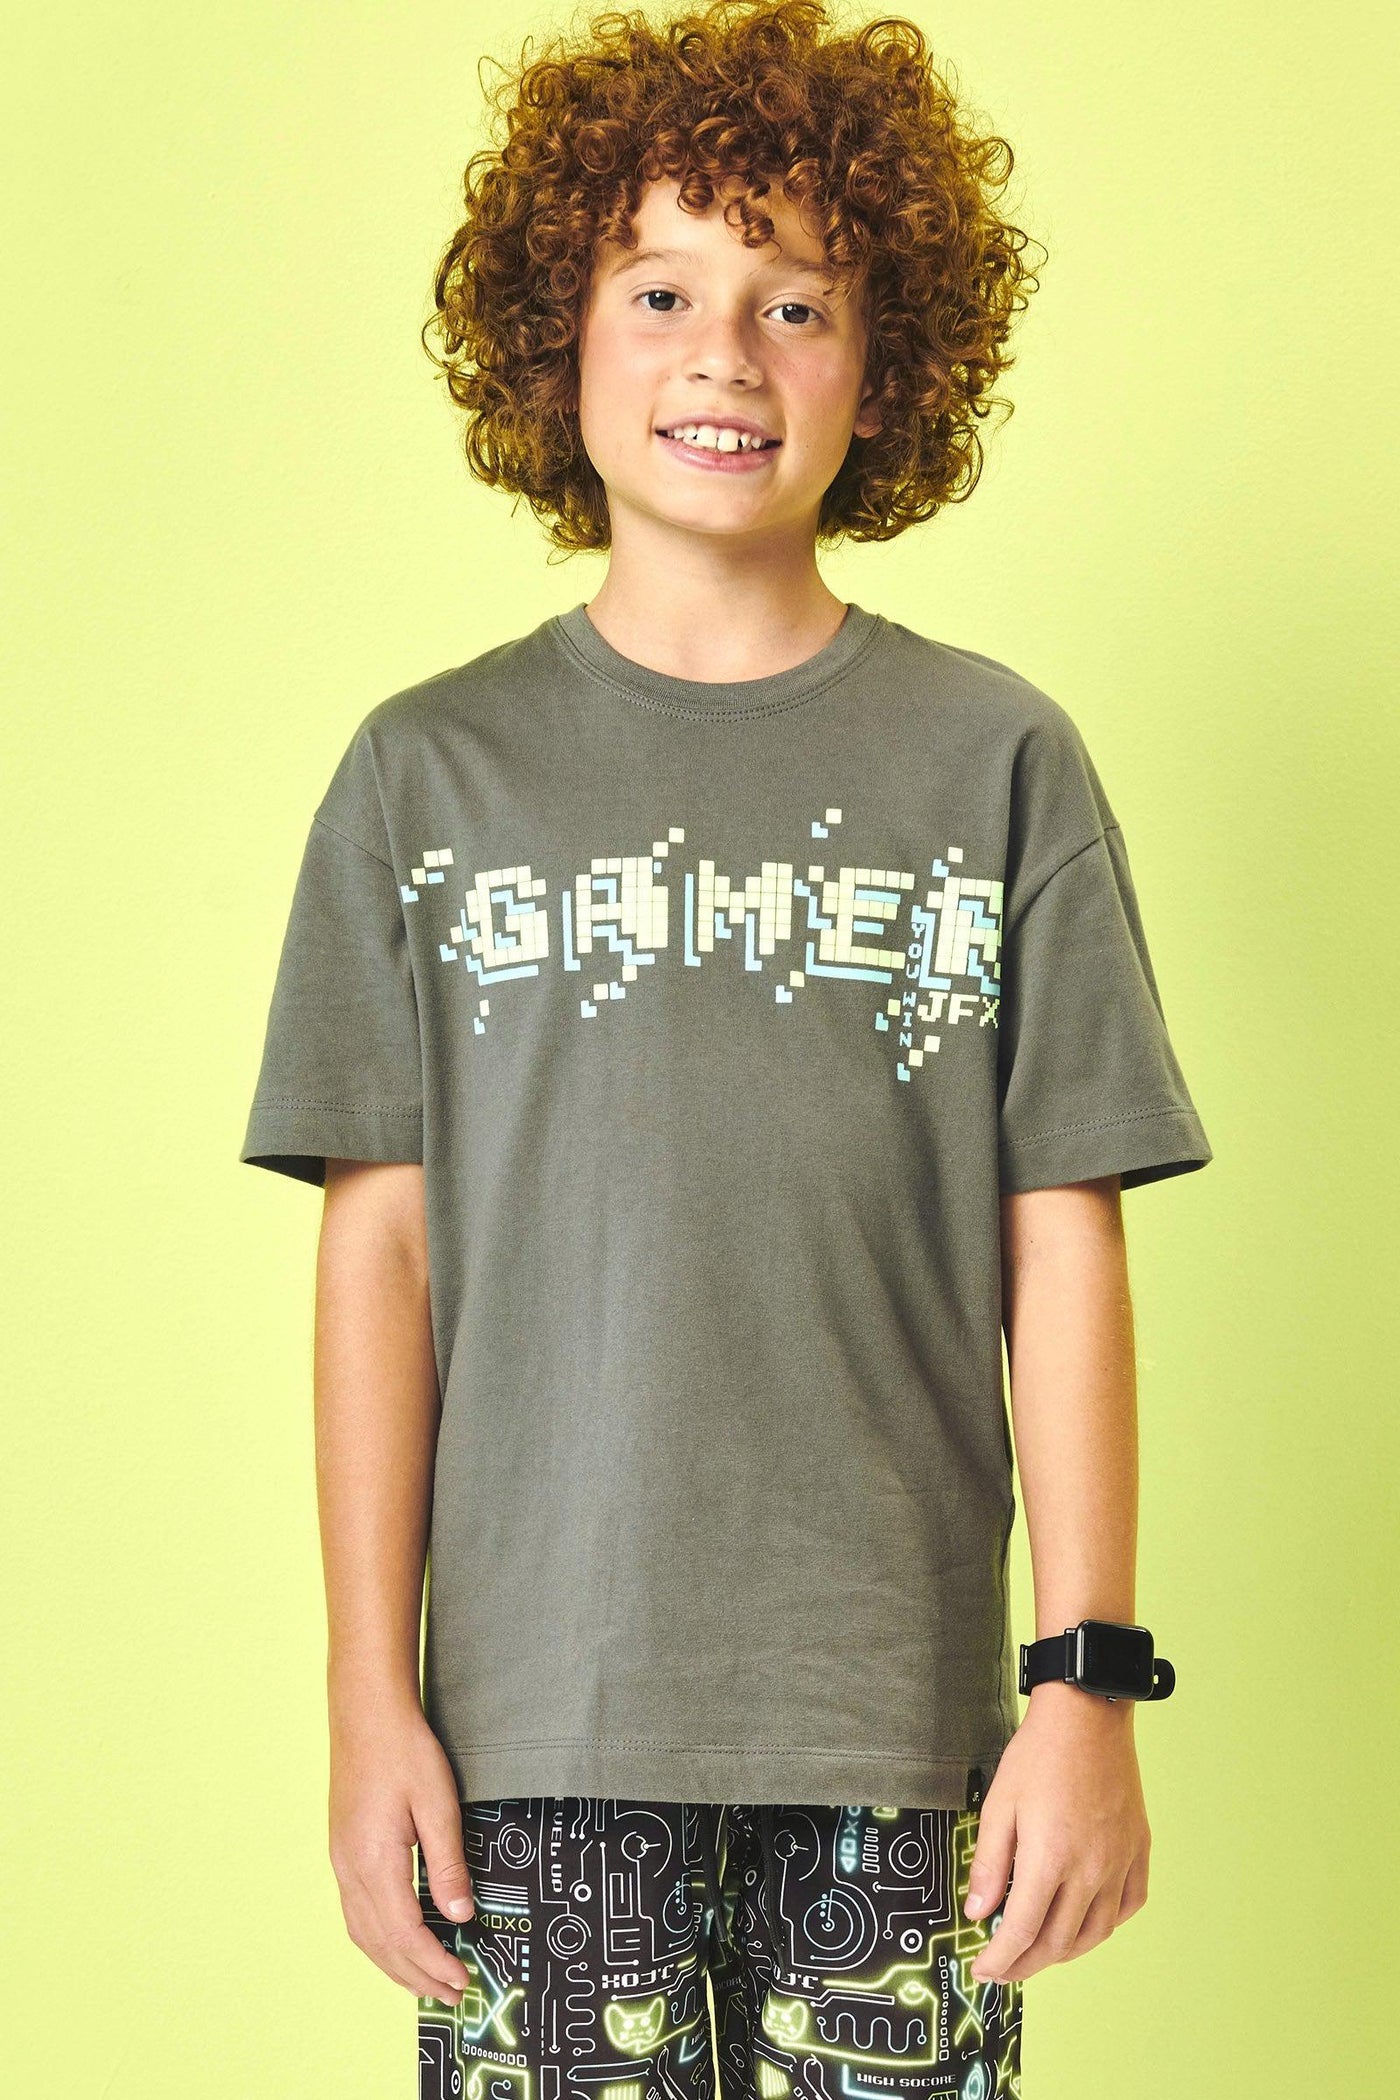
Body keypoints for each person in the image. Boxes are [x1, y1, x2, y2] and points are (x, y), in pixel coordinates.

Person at [238, 4, 1214, 2093]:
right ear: (556, 340)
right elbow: (378, 1258)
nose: (727, 358)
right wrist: (364, 1701)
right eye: (660, 290)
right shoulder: (427, 777)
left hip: (901, 1735)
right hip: (530, 1741)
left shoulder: (997, 764)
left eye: (798, 302)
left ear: (889, 361)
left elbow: (1062, 1244)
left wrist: (1087, 1685)